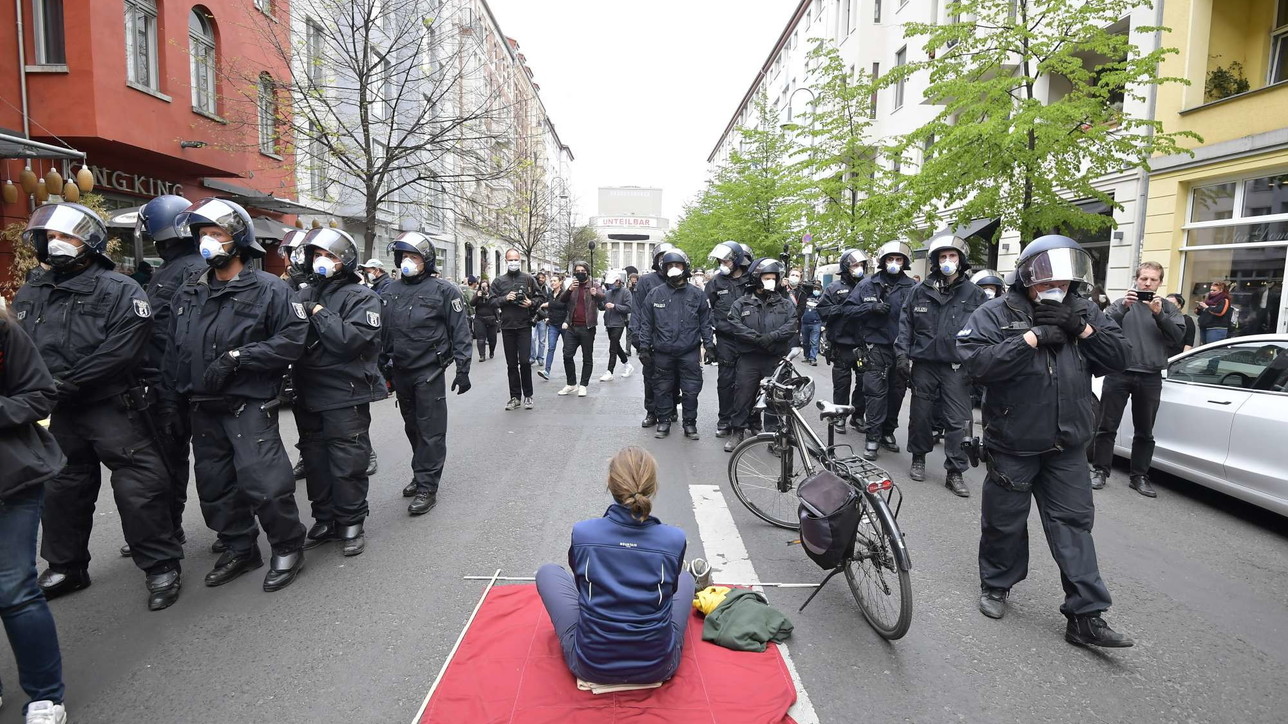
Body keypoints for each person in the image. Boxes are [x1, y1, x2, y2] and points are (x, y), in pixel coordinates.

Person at [957, 234, 1134, 648]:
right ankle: (997, 586)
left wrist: (1083, 329)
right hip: (1014, 440)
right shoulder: (995, 312)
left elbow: (1121, 358)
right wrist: (1030, 339)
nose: (1055, 288)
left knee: (1074, 525)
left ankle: (1086, 615)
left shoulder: (1085, 311)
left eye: (1064, 281)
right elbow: (975, 364)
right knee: (1004, 523)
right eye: (1045, 281)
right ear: (1026, 277)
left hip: (1068, 443)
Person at [14, 203, 184, 610]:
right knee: (62, 488)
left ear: (88, 244)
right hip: (62, 411)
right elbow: (20, 347)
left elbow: (120, 353)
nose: (57, 244)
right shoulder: (32, 290)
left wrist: (62, 384)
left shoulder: (120, 289)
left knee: (138, 488)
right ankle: (67, 566)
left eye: (68, 237)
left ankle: (161, 565)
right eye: (51, 236)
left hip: (113, 406)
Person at [167, 198, 308, 593]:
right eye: (202, 235)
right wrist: (172, 400)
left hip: (247, 402)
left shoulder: (270, 289)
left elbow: (292, 340)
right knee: (215, 485)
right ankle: (240, 546)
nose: (207, 242)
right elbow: (174, 349)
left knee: (265, 482)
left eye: (216, 234)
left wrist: (238, 357)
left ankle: (287, 545)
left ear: (239, 241)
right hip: (202, 406)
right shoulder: (189, 291)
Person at [535, 446, 693, 685]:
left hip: (590, 665)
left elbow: (582, 587)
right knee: (686, 579)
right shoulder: (673, 539)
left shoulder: (583, 533)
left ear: (610, 483)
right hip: (658, 667)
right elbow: (668, 594)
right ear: (653, 487)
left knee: (548, 572)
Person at [292, 228, 387, 555]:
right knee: (315, 459)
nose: (322, 261)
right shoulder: (303, 294)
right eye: (317, 255)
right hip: (307, 393)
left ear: (344, 260)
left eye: (330, 256)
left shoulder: (362, 297)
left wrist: (318, 312)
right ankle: (325, 517)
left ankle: (351, 522)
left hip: (345, 393)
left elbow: (348, 341)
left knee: (347, 461)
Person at [1, 309, 70, 724]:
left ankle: (45, 697)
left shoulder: (5, 331)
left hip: (11, 478)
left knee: (13, 590)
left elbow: (40, 394)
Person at [129, 194, 208, 558]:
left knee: (174, 459)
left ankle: (170, 529)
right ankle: (173, 528)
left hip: (175, 381)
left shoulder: (184, 270)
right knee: (190, 458)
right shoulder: (170, 269)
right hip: (177, 380)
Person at [382, 231, 473, 514]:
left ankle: (427, 486)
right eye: (404, 256)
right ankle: (419, 472)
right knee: (412, 427)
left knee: (431, 430)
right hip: (400, 371)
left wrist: (463, 368)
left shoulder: (445, 291)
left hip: (429, 371)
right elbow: (383, 332)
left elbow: (460, 330)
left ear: (427, 261)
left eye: (414, 257)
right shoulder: (389, 290)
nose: (408, 262)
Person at [896, 235, 986, 497]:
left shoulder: (975, 294)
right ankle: (919, 458)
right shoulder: (919, 291)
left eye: (953, 256)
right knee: (921, 415)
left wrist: (980, 362)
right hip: (925, 364)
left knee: (959, 421)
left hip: (957, 366)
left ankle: (955, 472)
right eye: (943, 257)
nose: (948, 261)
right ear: (936, 261)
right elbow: (905, 326)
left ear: (961, 260)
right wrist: (903, 355)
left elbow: (984, 330)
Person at [1090, 262, 1186, 498]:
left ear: (1160, 282)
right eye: (1143, 279)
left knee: (1145, 431)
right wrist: (1124, 306)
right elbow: (1102, 326)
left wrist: (1159, 314)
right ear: (1136, 279)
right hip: (1119, 372)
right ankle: (1100, 470)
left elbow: (1177, 338)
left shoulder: (1167, 308)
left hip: (1151, 375)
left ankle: (1139, 476)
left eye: (1153, 280)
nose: (1147, 283)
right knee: (1106, 426)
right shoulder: (1123, 303)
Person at [636, 249, 714, 440]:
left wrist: (710, 346)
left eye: (677, 265)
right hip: (662, 352)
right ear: (663, 269)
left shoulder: (697, 295)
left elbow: (705, 322)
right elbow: (646, 323)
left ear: (685, 268)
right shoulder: (655, 295)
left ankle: (690, 423)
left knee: (691, 389)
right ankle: (663, 421)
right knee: (661, 388)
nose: (673, 269)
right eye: (669, 266)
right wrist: (644, 347)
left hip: (689, 351)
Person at [723, 259, 799, 452]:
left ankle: (774, 436)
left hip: (775, 358)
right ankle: (737, 431)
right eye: (766, 278)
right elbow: (735, 324)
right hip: (750, 358)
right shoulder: (742, 303)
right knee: (743, 395)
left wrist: (772, 337)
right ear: (757, 279)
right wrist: (756, 339)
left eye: (773, 278)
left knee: (776, 399)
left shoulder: (785, 304)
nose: (770, 282)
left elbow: (791, 325)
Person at [853, 241, 917, 461]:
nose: (894, 263)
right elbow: (848, 310)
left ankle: (888, 431)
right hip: (875, 345)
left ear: (905, 262)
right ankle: (873, 436)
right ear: (883, 261)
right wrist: (870, 307)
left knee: (896, 391)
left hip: (901, 349)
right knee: (875, 393)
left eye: (899, 260)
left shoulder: (913, 287)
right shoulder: (868, 284)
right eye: (890, 259)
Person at [816, 249, 870, 436]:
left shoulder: (869, 286)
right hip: (841, 344)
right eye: (855, 265)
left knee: (864, 383)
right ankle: (839, 417)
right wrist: (844, 309)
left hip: (863, 344)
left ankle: (858, 416)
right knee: (842, 384)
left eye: (861, 265)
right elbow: (823, 311)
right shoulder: (834, 288)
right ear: (846, 267)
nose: (859, 268)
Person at [704, 241, 752, 437]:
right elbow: (705, 311)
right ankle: (725, 420)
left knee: (748, 381)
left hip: (750, 340)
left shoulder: (751, 280)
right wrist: (709, 342)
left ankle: (748, 419)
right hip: (725, 340)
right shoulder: (716, 282)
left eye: (725, 260)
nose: (721, 263)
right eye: (719, 260)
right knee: (725, 381)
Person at [488, 249, 545, 411]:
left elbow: (540, 297)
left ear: (520, 261)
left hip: (524, 326)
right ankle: (515, 397)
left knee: (525, 362)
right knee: (511, 364)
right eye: (510, 260)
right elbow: (491, 302)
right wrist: (505, 299)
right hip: (507, 327)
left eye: (516, 260)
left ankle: (528, 395)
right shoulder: (499, 281)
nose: (513, 262)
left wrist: (531, 303)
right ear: (506, 261)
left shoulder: (528, 278)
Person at [629, 242, 678, 427]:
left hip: (672, 338)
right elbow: (637, 309)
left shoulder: (679, 280)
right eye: (662, 258)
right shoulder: (646, 281)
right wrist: (637, 336)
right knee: (650, 377)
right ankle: (651, 411)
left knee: (674, 376)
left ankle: (672, 407)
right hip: (650, 337)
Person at [558, 261, 606, 397]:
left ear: (587, 272)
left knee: (587, 357)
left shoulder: (593, 285)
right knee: (567, 354)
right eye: (577, 271)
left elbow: (603, 297)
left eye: (582, 271)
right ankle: (571, 384)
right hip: (572, 327)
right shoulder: (572, 286)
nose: (579, 273)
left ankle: (583, 385)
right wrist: (569, 290)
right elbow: (562, 300)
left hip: (587, 327)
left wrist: (595, 293)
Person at [600, 270, 634, 381]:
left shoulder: (626, 292)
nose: (611, 285)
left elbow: (629, 308)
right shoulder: (608, 293)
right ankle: (627, 364)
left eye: (613, 283)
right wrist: (597, 298)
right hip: (609, 323)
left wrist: (615, 306)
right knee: (616, 345)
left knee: (613, 348)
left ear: (618, 281)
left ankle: (610, 371)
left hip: (619, 323)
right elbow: (601, 307)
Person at [539, 276, 567, 380]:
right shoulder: (549, 294)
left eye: (554, 281)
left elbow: (567, 307)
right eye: (551, 281)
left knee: (567, 350)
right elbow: (542, 307)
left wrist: (566, 322)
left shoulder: (565, 294)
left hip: (564, 326)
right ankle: (546, 371)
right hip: (553, 325)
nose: (552, 282)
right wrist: (546, 318)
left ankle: (568, 370)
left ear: (560, 282)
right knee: (551, 348)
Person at [472, 279, 498, 362]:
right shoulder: (477, 294)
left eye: (485, 287)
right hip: (480, 319)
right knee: (480, 338)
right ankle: (482, 355)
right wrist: (477, 296)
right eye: (482, 287)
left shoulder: (492, 294)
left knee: (492, 338)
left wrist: (488, 296)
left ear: (488, 287)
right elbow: (471, 303)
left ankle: (491, 351)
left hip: (491, 318)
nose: (484, 289)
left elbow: (496, 303)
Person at [531, 270, 550, 366]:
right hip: (533, 317)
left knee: (542, 340)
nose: (541, 280)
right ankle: (532, 356)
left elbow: (551, 303)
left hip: (543, 317)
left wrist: (546, 315)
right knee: (532, 338)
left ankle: (541, 357)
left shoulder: (548, 289)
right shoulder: (532, 288)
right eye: (539, 278)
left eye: (543, 278)